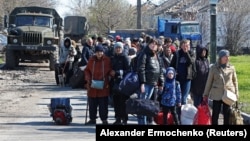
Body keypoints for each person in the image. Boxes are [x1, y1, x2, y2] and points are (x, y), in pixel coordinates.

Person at [203, 49, 239, 125]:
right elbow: (209, 81)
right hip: (217, 94)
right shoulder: (213, 68)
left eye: (228, 56)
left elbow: (235, 81)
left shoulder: (231, 68)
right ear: (220, 57)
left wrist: (236, 93)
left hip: (228, 94)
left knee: (227, 114)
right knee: (215, 114)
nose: (227, 58)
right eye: (225, 56)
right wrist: (205, 94)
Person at [136, 38, 164, 125]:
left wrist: (161, 82)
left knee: (146, 105)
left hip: (153, 83)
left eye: (155, 44)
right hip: (146, 84)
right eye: (151, 43)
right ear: (148, 44)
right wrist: (142, 83)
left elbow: (160, 70)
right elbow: (141, 69)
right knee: (143, 105)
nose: (153, 45)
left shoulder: (157, 55)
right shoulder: (144, 54)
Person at [84, 45, 112, 125]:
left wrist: (111, 73)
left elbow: (110, 70)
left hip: (103, 86)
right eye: (97, 52)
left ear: (103, 52)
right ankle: (92, 119)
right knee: (92, 104)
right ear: (95, 52)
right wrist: (88, 79)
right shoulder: (91, 60)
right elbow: (87, 70)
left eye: (101, 52)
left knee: (103, 105)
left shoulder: (107, 60)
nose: (99, 54)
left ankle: (104, 120)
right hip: (92, 86)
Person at [170, 39, 196, 119]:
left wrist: (186, 53)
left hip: (187, 79)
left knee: (184, 98)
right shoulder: (177, 54)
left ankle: (182, 116)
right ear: (181, 46)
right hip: (178, 79)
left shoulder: (191, 53)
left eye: (188, 45)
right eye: (185, 45)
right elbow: (171, 65)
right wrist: (173, 72)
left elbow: (191, 62)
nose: (186, 47)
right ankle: (176, 116)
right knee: (177, 97)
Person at [110, 42, 130, 125]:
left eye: (119, 48)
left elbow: (128, 71)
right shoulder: (113, 57)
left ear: (122, 49)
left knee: (123, 102)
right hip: (115, 82)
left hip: (123, 83)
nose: (118, 49)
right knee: (116, 102)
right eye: (116, 48)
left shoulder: (125, 57)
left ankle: (124, 119)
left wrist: (117, 72)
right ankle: (118, 118)